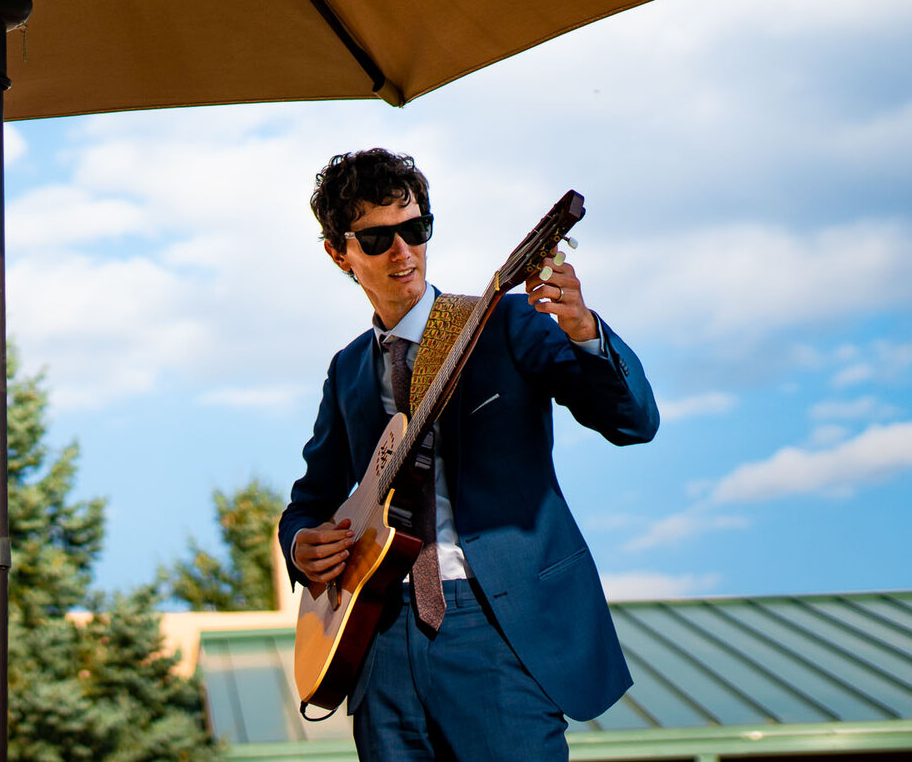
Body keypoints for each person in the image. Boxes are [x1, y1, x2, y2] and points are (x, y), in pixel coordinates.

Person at [278, 149, 658, 762]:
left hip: (499, 626)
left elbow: (634, 422)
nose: (403, 251)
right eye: (377, 239)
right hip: (378, 637)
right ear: (338, 252)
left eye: (415, 229)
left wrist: (585, 331)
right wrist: (301, 544)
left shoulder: (505, 324)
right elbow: (311, 502)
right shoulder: (347, 370)